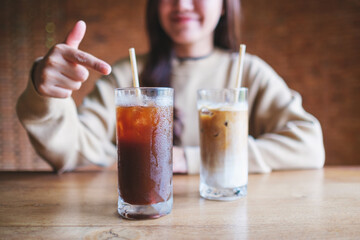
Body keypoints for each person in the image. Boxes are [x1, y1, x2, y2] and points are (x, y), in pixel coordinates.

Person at [16, 0, 325, 174]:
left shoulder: (247, 72)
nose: (182, 4)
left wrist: (191, 159)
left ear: (224, 7)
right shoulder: (127, 75)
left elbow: (308, 145)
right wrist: (48, 96)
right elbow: (73, 152)